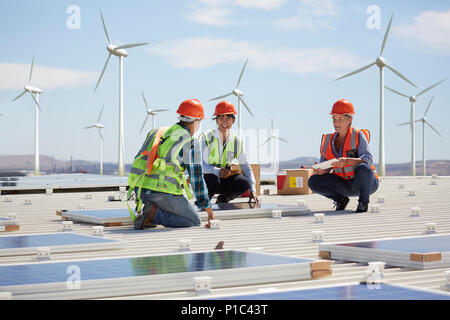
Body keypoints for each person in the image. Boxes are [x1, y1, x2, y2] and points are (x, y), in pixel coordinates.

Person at [128, 98, 215, 229]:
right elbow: (197, 181)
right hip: (162, 194)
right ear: (197, 121)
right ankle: (154, 214)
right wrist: (210, 214)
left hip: (140, 192)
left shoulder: (156, 133)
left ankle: (150, 211)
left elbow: (139, 160)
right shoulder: (191, 143)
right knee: (193, 221)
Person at [308, 99, 379, 213]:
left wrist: (349, 161)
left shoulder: (358, 135)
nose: (337, 123)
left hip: (364, 183)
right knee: (313, 181)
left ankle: (363, 203)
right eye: (334, 119)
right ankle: (341, 200)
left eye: (340, 119)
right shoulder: (327, 140)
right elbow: (327, 166)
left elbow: (368, 159)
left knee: (363, 168)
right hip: (343, 185)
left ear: (349, 120)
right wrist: (322, 170)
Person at [199, 100, 259, 204]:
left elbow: (245, 166)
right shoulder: (206, 137)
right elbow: (200, 164)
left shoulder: (237, 141)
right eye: (221, 118)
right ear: (216, 120)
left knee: (243, 183)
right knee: (212, 178)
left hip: (223, 178)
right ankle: (204, 202)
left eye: (228, 118)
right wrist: (217, 171)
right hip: (207, 179)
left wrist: (252, 189)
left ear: (233, 120)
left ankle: (223, 199)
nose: (224, 121)